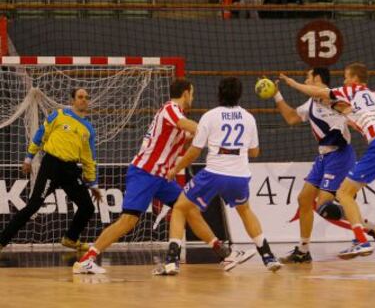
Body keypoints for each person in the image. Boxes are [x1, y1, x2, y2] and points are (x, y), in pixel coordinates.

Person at [73, 79, 249, 274]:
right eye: (192, 93)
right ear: (185, 93)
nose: (193, 97)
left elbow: (191, 140)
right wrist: (218, 131)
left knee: (189, 209)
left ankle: (224, 253)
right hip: (145, 173)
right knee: (128, 221)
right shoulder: (171, 109)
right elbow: (196, 129)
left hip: (162, 178)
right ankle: (87, 260)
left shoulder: (177, 117)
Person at [280, 62, 375, 259]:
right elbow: (366, 116)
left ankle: (361, 241)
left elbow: (324, 94)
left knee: (344, 193)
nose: (343, 80)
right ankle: (306, 249)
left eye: (345, 77)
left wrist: (292, 84)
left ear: (354, 79)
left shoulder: (349, 90)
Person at [155, 77, 282, 276]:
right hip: (240, 175)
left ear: (219, 93)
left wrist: (176, 168)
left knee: (180, 208)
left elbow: (195, 151)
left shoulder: (210, 116)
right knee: (245, 210)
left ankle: (172, 261)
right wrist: (234, 150)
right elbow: (255, 152)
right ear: (239, 94)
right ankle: (268, 256)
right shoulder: (249, 118)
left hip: (213, 173)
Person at [0, 88, 102, 252]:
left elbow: (89, 158)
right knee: (33, 205)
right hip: (51, 165)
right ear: (72, 101)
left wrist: (93, 183)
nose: (84, 100)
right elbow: (41, 134)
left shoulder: (88, 129)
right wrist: (29, 157)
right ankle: (2, 241)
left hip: (70, 170)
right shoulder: (59, 115)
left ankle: (70, 238)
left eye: (86, 97)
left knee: (87, 207)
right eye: (80, 97)